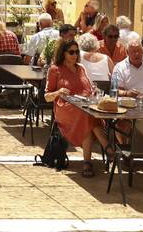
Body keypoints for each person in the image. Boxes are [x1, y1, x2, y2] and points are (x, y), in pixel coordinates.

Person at [44, 38, 108, 177]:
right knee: (86, 115)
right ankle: (108, 149)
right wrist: (58, 92)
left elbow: (89, 89)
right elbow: (47, 96)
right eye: (71, 52)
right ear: (64, 53)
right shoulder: (55, 69)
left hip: (84, 106)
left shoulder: (81, 68)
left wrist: (94, 91)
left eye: (76, 52)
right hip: (65, 107)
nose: (74, 55)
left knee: (87, 115)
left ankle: (88, 162)